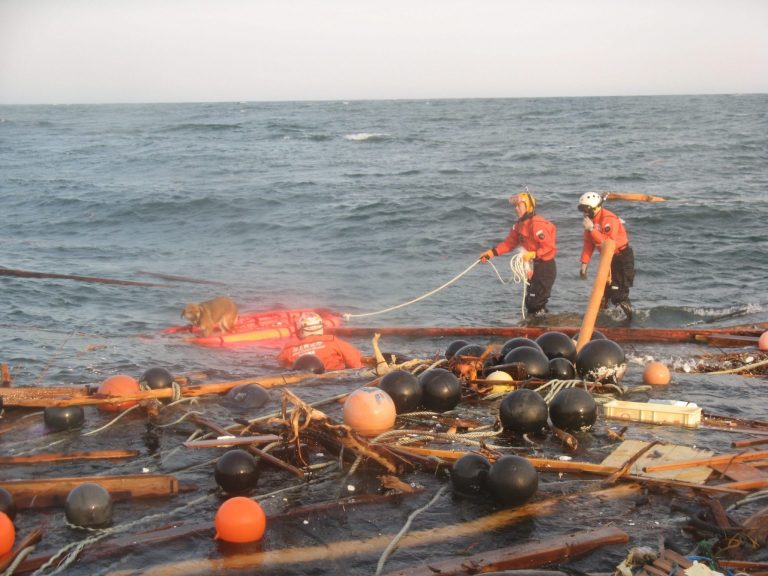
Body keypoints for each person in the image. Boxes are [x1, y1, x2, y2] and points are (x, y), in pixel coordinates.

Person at [479, 190, 557, 316]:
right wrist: (491, 253)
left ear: (528, 206)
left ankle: (542, 326)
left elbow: (549, 246)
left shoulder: (537, 225)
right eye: (515, 206)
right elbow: (508, 244)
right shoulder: (519, 225)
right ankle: (538, 323)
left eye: (519, 206)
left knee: (535, 302)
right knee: (531, 301)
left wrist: (534, 254)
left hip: (545, 267)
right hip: (532, 266)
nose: (516, 209)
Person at [577, 191, 634, 320]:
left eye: (586, 209)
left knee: (618, 294)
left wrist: (592, 229)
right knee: (603, 294)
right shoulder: (591, 221)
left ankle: (629, 322)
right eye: (582, 209)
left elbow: (609, 243)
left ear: (594, 208)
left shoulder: (608, 219)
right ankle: (603, 321)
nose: (584, 213)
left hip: (621, 258)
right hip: (608, 259)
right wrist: (584, 264)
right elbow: (588, 244)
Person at [277, 312, 363, 371]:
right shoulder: (334, 342)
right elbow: (358, 364)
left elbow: (279, 368)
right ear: (321, 327)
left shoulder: (287, 350)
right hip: (332, 380)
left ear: (300, 330)